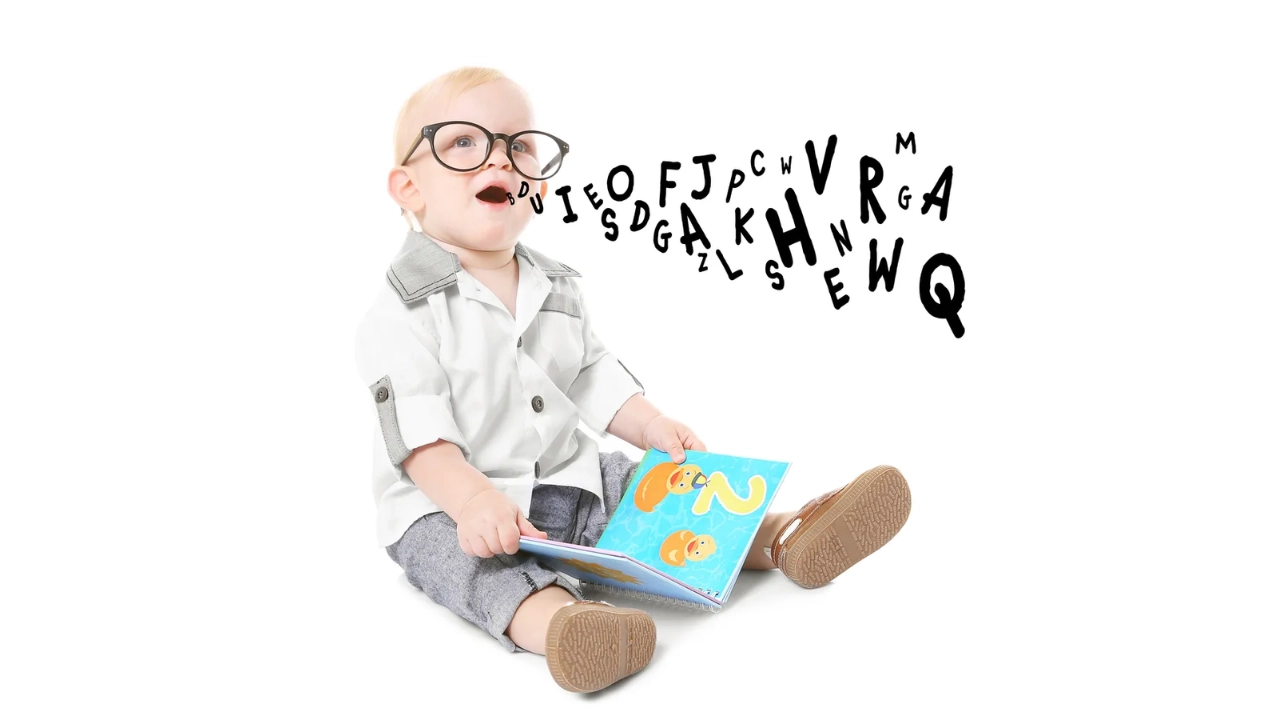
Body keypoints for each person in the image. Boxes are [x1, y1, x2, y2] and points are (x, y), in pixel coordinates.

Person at [353, 67, 912, 693]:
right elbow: (419, 437)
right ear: (409, 188)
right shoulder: (403, 311)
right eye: (464, 142)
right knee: (469, 568)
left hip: (570, 480)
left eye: (520, 145)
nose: (500, 159)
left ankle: (783, 535)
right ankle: (562, 627)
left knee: (662, 494)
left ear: (537, 185)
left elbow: (590, 372)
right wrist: (473, 502)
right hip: (449, 506)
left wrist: (650, 425)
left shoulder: (556, 286)